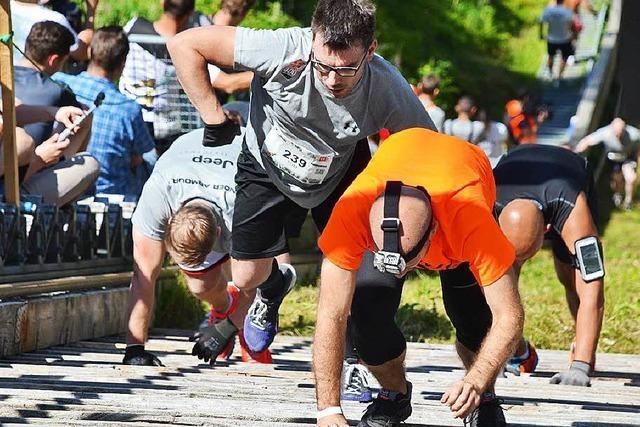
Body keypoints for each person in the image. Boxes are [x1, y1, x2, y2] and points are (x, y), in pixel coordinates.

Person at [168, 0, 435, 361]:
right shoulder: (281, 48)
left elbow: (430, 150)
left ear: (370, 51)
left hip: (338, 170)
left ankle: (355, 356)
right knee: (246, 276)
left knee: (352, 268)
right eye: (323, 66)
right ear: (312, 40)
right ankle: (275, 286)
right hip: (266, 164)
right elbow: (184, 45)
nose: (331, 80)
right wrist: (213, 117)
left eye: (346, 70)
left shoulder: (387, 86)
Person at [314, 127, 522, 427]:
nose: (407, 273)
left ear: (433, 234)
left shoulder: (471, 219)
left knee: (472, 320)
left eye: (412, 262)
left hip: (461, 180)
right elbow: (330, 313)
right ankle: (394, 394)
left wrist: (476, 380)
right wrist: (328, 411)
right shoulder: (352, 209)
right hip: (400, 162)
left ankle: (484, 396)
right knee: (367, 313)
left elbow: (510, 316)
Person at [124, 127, 279, 367]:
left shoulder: (242, 208)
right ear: (169, 221)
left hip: (251, 161)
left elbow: (259, 284)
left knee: (247, 278)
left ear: (218, 235)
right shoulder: (158, 196)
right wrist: (134, 348)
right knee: (199, 285)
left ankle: (246, 330)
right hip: (191, 151)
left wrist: (226, 328)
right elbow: (143, 275)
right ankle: (224, 305)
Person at [494, 144, 604, 386]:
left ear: (547, 230)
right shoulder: (486, 203)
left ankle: (584, 351)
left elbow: (593, 284)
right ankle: (518, 350)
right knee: (499, 280)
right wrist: (493, 358)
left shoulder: (575, 212)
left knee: (571, 276)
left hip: (568, 178)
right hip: (513, 163)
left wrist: (581, 367)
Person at [120, 0, 252, 151]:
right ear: (189, 14)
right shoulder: (183, 53)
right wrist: (269, 70)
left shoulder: (133, 27)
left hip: (127, 119)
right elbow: (228, 84)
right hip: (162, 133)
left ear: (163, 4)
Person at [54, 26, 157, 197]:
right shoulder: (128, 109)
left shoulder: (59, 82)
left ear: (89, 52)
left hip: (63, 183)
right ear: (122, 64)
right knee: (151, 160)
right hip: (111, 192)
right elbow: (138, 157)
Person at [1, 104, 99, 206]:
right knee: (89, 164)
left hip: (22, 169)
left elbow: (9, 108)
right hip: (11, 193)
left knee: (84, 121)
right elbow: (6, 184)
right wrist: (38, 161)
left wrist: (55, 112)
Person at [14, 21, 90, 150]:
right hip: (34, 164)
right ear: (53, 60)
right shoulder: (58, 90)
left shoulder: (5, 79)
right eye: (64, 62)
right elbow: (81, 119)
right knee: (86, 115)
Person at [575, 118, 640, 210]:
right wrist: (575, 152)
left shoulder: (634, 134)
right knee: (616, 181)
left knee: (631, 178)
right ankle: (617, 194)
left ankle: (628, 201)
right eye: (616, 133)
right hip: (613, 159)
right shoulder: (605, 133)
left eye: (621, 133)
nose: (618, 136)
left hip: (628, 157)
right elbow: (587, 140)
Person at [11, 0, 96, 63]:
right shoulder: (54, 19)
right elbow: (81, 54)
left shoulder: (4, 8)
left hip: (12, 73)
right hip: (43, 78)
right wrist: (91, 13)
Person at [539, 0, 575, 84]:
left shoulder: (548, 11)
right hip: (565, 38)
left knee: (551, 56)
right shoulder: (567, 11)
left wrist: (540, 34)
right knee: (564, 57)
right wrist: (572, 35)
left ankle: (551, 73)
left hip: (551, 38)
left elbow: (541, 21)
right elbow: (570, 24)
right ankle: (559, 76)